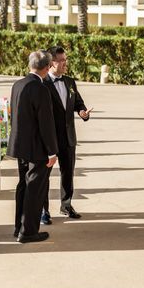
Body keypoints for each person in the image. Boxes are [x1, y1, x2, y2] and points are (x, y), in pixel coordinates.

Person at [8, 51, 58, 243]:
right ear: (47, 68)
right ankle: (28, 232)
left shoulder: (18, 84)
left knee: (23, 186)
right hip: (36, 148)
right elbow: (46, 123)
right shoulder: (40, 88)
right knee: (34, 189)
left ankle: (18, 226)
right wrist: (52, 151)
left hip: (20, 145)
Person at [41, 46, 92, 224]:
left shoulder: (70, 82)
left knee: (68, 173)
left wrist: (83, 112)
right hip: (48, 140)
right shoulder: (42, 83)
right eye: (61, 60)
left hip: (68, 137)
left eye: (65, 60)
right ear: (52, 62)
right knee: (44, 176)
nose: (65, 63)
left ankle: (66, 205)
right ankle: (43, 211)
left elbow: (78, 103)